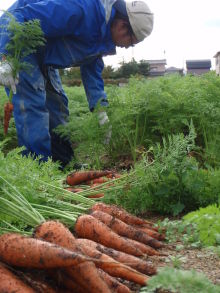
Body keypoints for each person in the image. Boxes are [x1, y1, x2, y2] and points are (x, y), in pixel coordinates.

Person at [0, 0, 153, 168]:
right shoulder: (83, 9)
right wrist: (5, 57)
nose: (127, 47)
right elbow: (18, 16)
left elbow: (92, 70)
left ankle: (63, 164)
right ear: (123, 26)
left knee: (58, 107)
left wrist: (100, 110)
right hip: (17, 41)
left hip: (44, 57)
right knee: (33, 108)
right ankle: (38, 171)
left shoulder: (103, 36)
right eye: (131, 42)